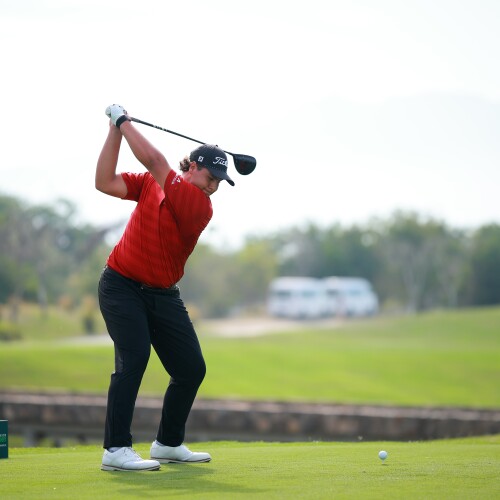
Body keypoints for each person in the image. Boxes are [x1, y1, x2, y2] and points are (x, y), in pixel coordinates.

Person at [96, 104, 234, 472]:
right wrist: (114, 131)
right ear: (194, 166)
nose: (214, 186)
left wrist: (123, 121)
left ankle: (168, 443)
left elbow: (156, 161)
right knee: (134, 358)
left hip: (162, 293)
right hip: (120, 285)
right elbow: (105, 182)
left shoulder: (198, 205)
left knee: (191, 368)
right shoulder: (152, 184)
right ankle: (115, 449)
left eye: (219, 182)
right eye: (211, 177)